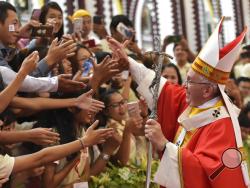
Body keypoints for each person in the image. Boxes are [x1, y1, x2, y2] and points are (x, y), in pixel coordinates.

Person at [107, 17, 250, 188]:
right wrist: (129, 63)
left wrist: (164, 144)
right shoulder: (197, 102)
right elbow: (163, 88)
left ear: (207, 90)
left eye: (189, 81)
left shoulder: (221, 125)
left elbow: (204, 174)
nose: (184, 85)